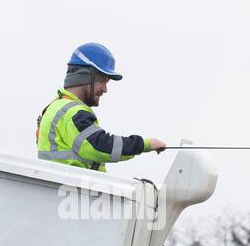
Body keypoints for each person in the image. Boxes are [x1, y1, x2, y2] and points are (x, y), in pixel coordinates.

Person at [36, 43, 166, 171]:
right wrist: (146, 145)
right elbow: (99, 146)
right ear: (84, 76)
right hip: (73, 190)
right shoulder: (73, 112)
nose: (105, 89)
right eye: (102, 81)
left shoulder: (57, 107)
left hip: (63, 188)